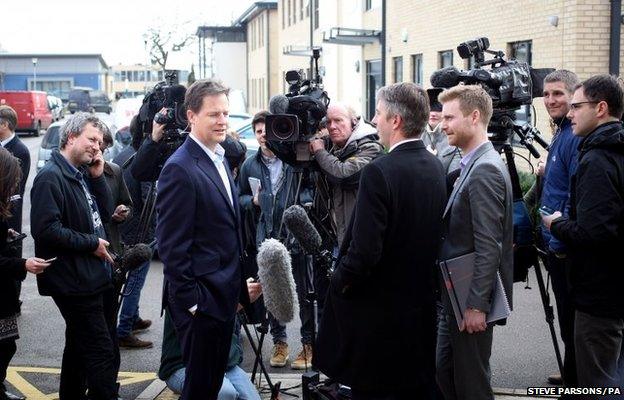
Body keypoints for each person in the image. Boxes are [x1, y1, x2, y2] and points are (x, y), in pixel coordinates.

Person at [315, 82, 447, 399]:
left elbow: (364, 252)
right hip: (421, 310)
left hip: (380, 319)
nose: (374, 121)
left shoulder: (380, 172)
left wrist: (340, 281)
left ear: (396, 121)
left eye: (378, 114)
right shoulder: (435, 165)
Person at [156, 79, 248, 400]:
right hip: (202, 307)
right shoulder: (180, 168)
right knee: (201, 390)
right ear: (191, 116)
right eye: (213, 114)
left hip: (223, 300)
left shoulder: (219, 158)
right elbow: (171, 247)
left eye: (226, 113)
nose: (223, 120)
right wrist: (194, 305)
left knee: (208, 387)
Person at [543, 74, 624, 393]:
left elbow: (596, 231)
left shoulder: (597, 158)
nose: (571, 113)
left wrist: (556, 224)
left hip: (598, 291)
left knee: (597, 382)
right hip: (610, 286)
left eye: (577, 105)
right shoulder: (609, 148)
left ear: (601, 108)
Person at [30, 112, 118, 399]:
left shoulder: (80, 174)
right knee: (100, 352)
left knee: (78, 348)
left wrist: (97, 178)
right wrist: (91, 243)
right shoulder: (50, 177)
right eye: (92, 139)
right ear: (71, 137)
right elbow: (45, 230)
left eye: (101, 143)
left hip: (92, 277)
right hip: (74, 281)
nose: (97, 147)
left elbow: (103, 217)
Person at [436, 85, 514, 400]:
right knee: (444, 370)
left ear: (475, 116)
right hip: (454, 296)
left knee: (472, 386)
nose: (443, 125)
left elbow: (489, 245)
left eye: (450, 118)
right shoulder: (469, 164)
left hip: (469, 300)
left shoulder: (485, 170)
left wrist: (477, 306)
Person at [238, 111, 314, 370]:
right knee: (272, 293)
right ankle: (280, 343)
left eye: (266, 131)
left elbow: (310, 188)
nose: (263, 136)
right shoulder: (250, 164)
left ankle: (308, 345)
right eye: (258, 132)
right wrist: (253, 201)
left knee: (304, 292)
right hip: (266, 236)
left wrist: (303, 203)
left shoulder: (294, 160)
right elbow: (240, 198)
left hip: (295, 236)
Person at [539, 69, 581, 387]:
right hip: (556, 241)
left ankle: (578, 382)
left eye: (558, 94)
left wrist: (560, 239)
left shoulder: (573, 135)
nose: (551, 99)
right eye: (547, 93)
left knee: (572, 320)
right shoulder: (562, 130)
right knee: (568, 320)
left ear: (572, 95)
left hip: (564, 246)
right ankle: (572, 372)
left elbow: (575, 193)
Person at [0, 148, 50, 400]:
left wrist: (6, 235)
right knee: (2, 345)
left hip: (4, 297)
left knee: (7, 343)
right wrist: (23, 265)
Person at [159, 280, 263, 400]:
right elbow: (202, 321)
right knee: (225, 393)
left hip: (223, 363)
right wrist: (238, 301)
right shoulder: (179, 280)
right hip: (183, 365)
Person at [309, 102, 384, 246]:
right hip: (337, 239)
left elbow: (343, 175)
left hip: (360, 242)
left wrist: (319, 151)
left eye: (338, 120)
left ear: (353, 122)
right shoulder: (333, 147)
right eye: (328, 122)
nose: (332, 126)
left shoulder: (370, 147)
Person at [0, 105, 31, 313]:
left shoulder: (20, 150)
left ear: (5, 124)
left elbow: (15, 190)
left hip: (9, 213)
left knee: (11, 253)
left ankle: (15, 298)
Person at [422, 88, 461, 174]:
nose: (433, 114)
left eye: (439, 109)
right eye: (430, 109)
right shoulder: (416, 134)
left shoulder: (456, 137)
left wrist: (432, 163)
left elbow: (453, 178)